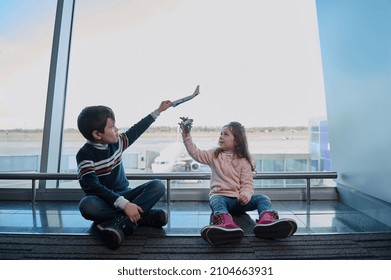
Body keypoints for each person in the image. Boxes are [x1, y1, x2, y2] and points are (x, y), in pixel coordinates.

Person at [179, 117, 297, 246]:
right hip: (221, 198)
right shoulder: (214, 155)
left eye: (225, 134)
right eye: (221, 133)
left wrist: (246, 195)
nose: (221, 136)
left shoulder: (244, 161)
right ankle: (225, 224)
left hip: (239, 201)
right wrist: (186, 133)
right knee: (216, 200)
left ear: (236, 141)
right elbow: (195, 153)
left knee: (263, 198)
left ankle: (267, 222)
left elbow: (247, 183)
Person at [76, 100, 172, 250]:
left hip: (126, 194)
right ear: (97, 134)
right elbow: (92, 187)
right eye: (111, 126)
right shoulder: (84, 154)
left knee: (158, 185)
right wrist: (124, 205)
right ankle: (142, 217)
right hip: (103, 200)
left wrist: (158, 111)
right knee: (87, 206)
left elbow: (137, 129)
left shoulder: (118, 142)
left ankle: (120, 224)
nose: (117, 129)